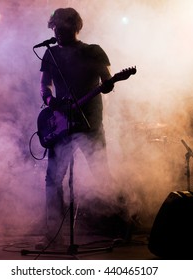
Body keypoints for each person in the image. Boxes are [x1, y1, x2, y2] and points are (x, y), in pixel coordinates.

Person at [39, 7, 115, 245]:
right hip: (61, 124)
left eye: (62, 28)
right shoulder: (50, 54)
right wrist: (50, 101)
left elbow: (108, 82)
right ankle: (54, 230)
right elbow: (45, 86)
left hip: (90, 122)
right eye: (55, 28)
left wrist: (108, 84)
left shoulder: (93, 52)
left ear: (74, 27)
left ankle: (117, 224)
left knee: (101, 174)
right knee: (53, 179)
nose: (58, 32)